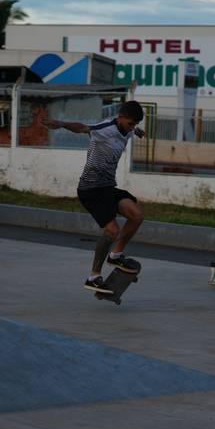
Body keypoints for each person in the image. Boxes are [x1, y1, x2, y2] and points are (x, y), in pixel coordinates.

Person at [43, 101, 145, 294]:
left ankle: (115, 256)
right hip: (90, 189)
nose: (131, 127)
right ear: (120, 118)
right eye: (130, 124)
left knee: (136, 215)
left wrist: (137, 131)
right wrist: (62, 124)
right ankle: (93, 277)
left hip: (107, 187)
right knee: (112, 230)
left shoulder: (127, 129)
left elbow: (132, 130)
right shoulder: (105, 129)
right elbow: (83, 127)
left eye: (135, 124)